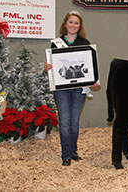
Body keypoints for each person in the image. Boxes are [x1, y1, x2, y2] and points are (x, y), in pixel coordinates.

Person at [44, 11, 99, 166]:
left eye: (76, 23)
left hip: (79, 88)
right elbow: (53, 64)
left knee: (74, 122)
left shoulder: (84, 42)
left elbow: (90, 65)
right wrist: (47, 67)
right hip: (61, 89)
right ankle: (65, 155)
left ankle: (73, 151)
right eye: (71, 22)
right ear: (65, 24)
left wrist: (94, 80)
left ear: (79, 26)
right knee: (65, 122)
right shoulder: (56, 43)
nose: (73, 25)